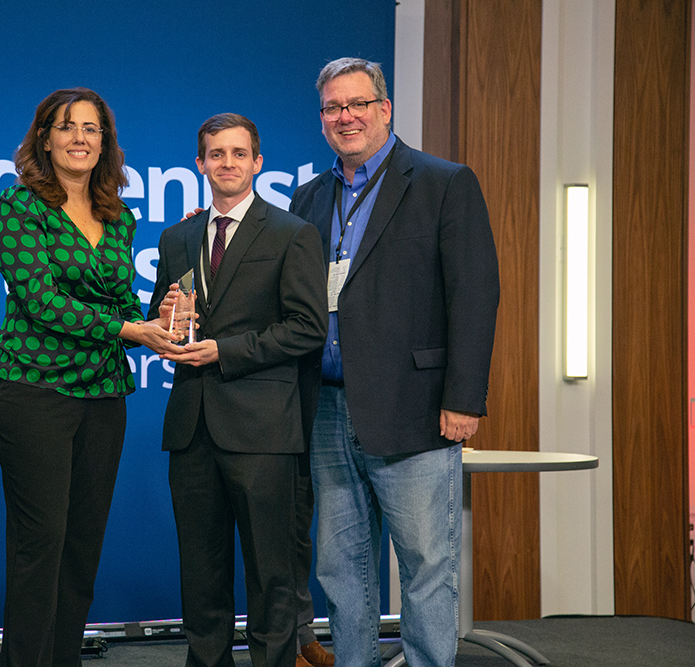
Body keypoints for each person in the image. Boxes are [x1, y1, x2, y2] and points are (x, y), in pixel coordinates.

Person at [289, 58, 500, 667]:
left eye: (356, 104)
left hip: (417, 408)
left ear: (384, 110)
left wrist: (464, 397)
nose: (345, 117)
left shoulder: (443, 182)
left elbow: (475, 294)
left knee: (426, 566)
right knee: (340, 566)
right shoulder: (308, 197)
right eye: (332, 108)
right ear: (322, 119)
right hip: (328, 408)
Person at [0, 87, 181, 667]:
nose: (79, 138)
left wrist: (163, 317)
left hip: (103, 396)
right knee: (38, 546)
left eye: (92, 129)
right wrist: (131, 332)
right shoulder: (19, 208)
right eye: (67, 127)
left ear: (105, 143)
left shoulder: (120, 218)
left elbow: (122, 303)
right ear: (44, 138)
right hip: (32, 394)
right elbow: (42, 304)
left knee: (81, 548)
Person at [147, 113, 328, 667]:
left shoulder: (292, 232)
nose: (227, 163)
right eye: (216, 154)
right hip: (192, 427)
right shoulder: (177, 236)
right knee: (200, 573)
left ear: (257, 162)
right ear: (199, 163)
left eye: (238, 154)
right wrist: (162, 330)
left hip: (263, 429)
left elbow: (307, 328)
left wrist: (226, 351)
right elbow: (164, 310)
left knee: (271, 574)